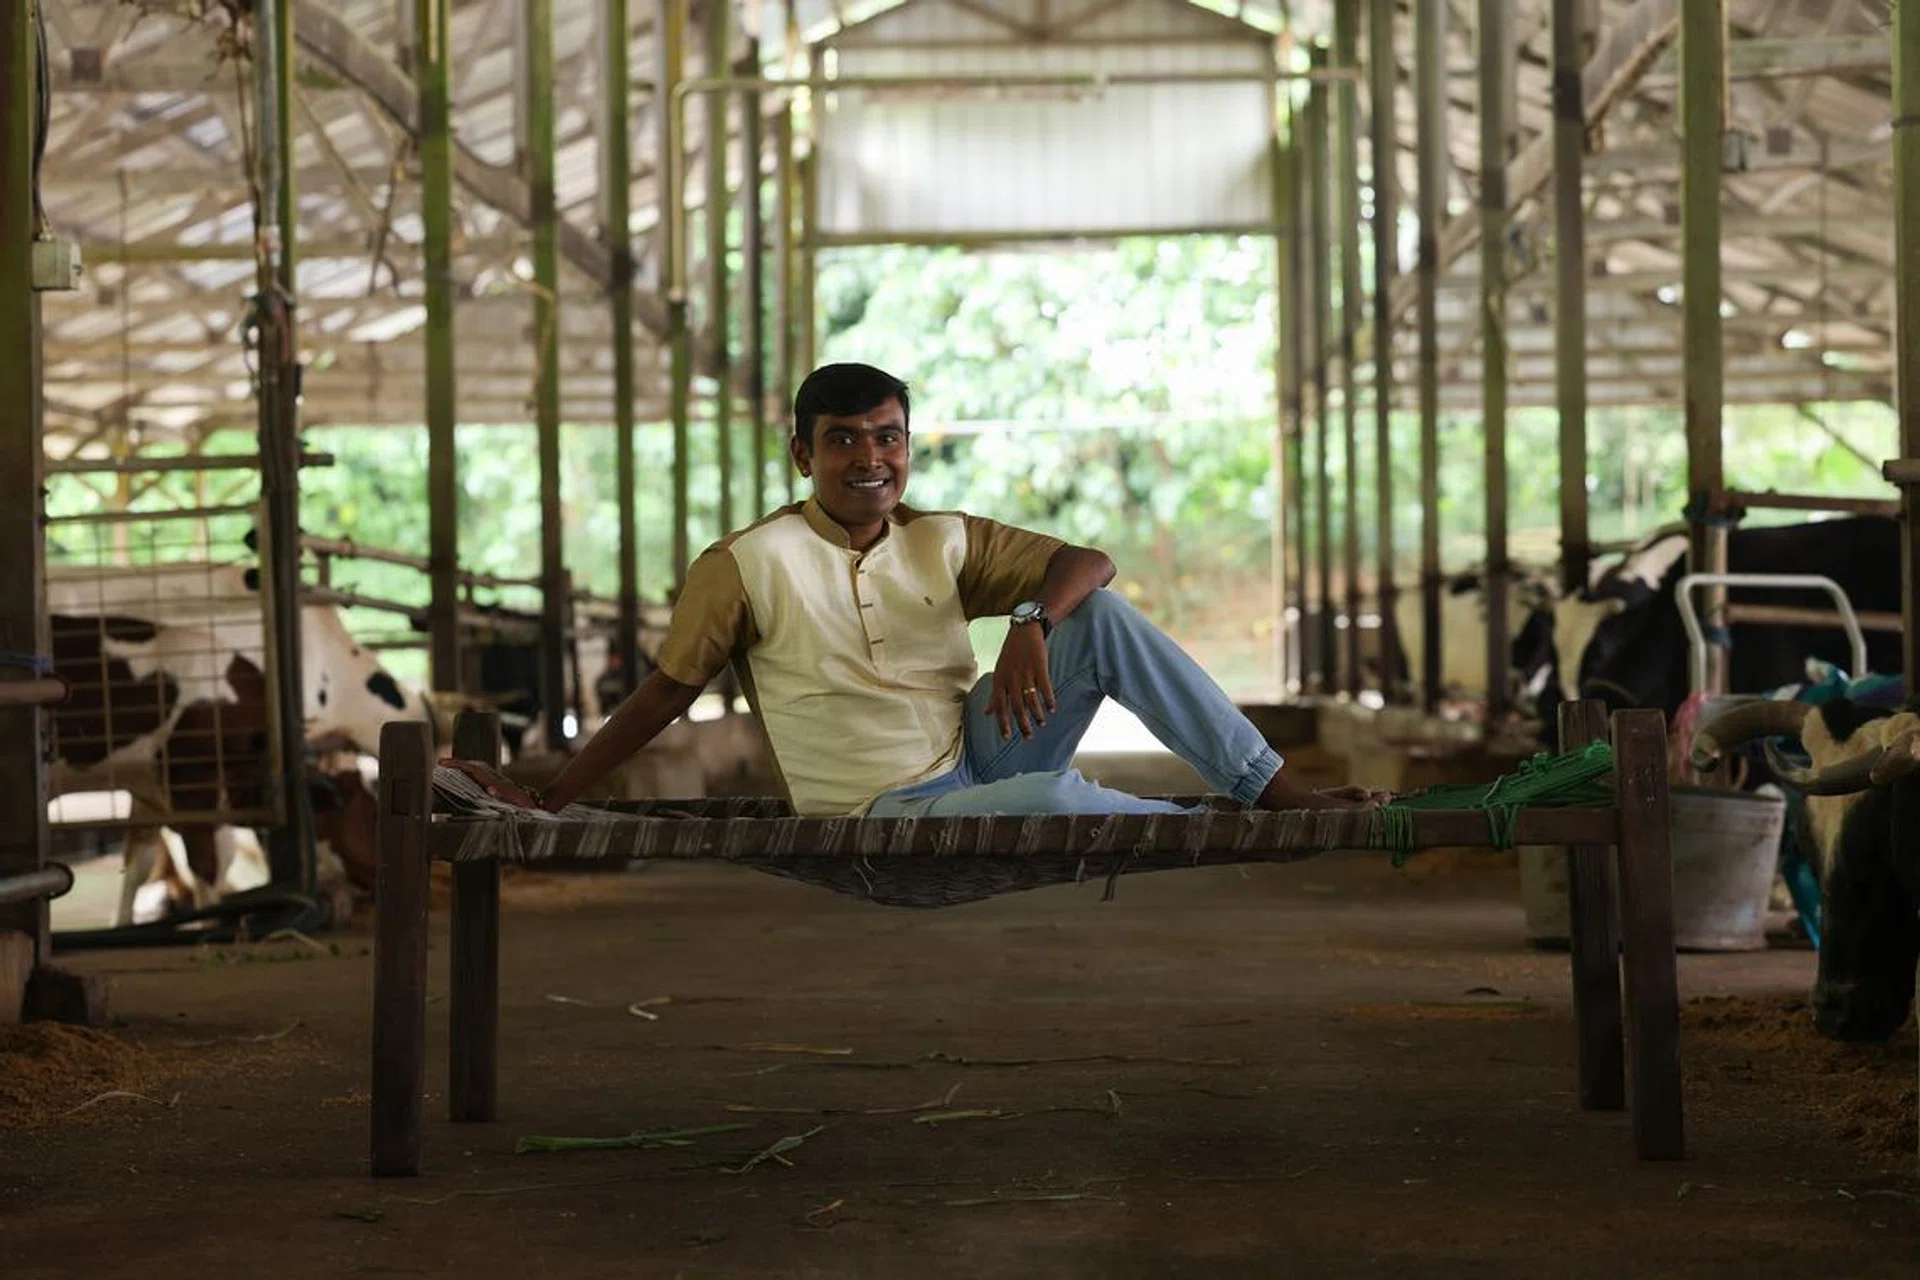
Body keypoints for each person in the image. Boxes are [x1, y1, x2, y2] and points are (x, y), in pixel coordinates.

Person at [457, 363, 1380, 817]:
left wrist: (1026, 620)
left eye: (888, 437)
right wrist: (555, 793)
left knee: (1092, 614)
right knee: (1058, 808)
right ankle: (1190, 823)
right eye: (845, 440)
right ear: (803, 454)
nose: (871, 459)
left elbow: (1087, 562)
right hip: (880, 807)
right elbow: (666, 691)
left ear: (908, 445)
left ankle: (1269, 795)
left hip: (980, 752)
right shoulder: (746, 562)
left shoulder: (939, 538)